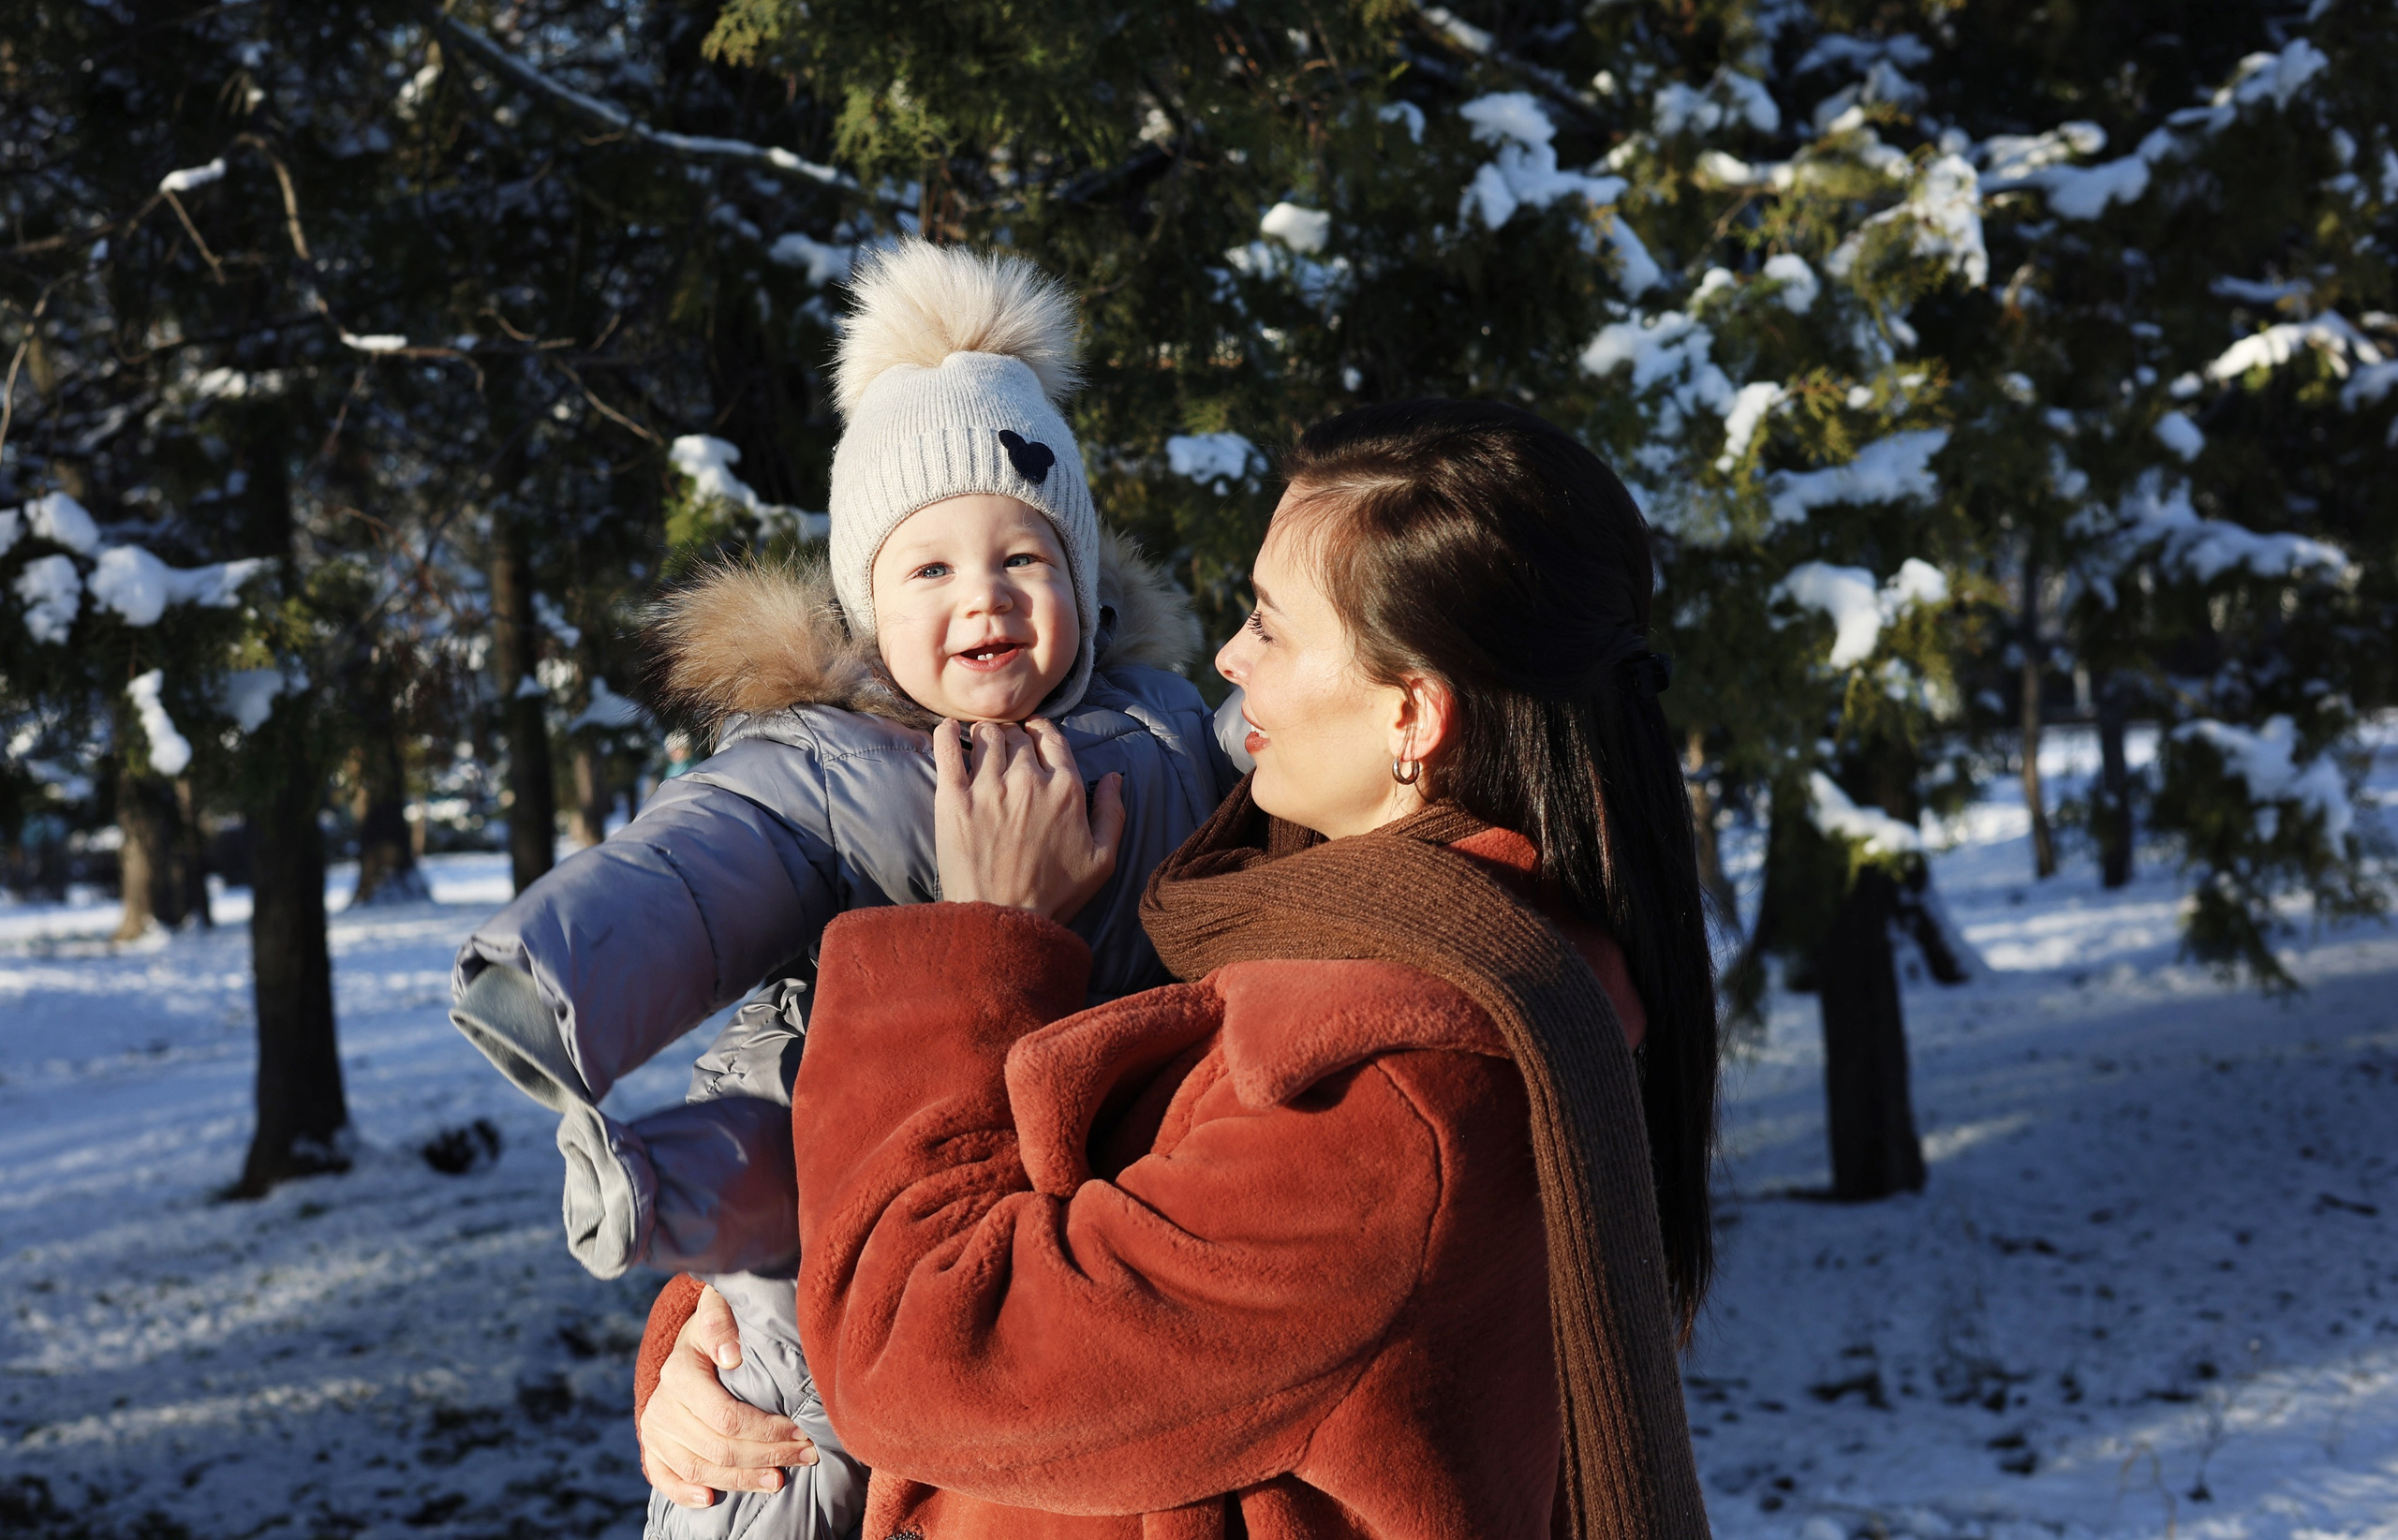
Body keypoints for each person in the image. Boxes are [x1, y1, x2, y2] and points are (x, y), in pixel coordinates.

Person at [633, 399, 1720, 1537]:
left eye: (1271, 625)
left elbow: (930, 1354)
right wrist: (728, 1333)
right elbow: (1072, 1215)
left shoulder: (1390, 1102)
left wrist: (979, 935)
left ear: (1414, 716)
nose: (1227, 655)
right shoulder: (1294, 920)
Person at [448, 241, 1237, 1540]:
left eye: (1024, 559)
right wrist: (556, 969)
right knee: (765, 1435)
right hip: (836, 1226)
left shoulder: (1170, 735)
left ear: (1086, 582)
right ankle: (645, 1199)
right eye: (928, 569)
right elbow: (699, 864)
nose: (983, 596)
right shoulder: (841, 764)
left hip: (1064, 1264)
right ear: (868, 605)